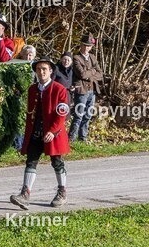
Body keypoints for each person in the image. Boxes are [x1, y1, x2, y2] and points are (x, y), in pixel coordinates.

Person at [9, 57, 71, 209]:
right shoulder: (32, 89)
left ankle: (62, 192)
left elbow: (62, 114)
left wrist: (53, 131)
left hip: (53, 133)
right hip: (36, 132)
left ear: (50, 71)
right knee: (31, 161)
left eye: (44, 69)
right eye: (38, 69)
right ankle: (25, 194)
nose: (41, 72)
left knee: (56, 162)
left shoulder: (59, 89)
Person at [70, 33, 103, 142]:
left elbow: (100, 74)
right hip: (81, 90)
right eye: (84, 45)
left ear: (91, 47)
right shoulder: (76, 58)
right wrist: (93, 71)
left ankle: (82, 137)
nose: (86, 48)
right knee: (78, 115)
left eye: (88, 46)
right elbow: (82, 75)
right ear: (81, 45)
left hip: (92, 90)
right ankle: (72, 138)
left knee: (88, 115)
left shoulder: (93, 57)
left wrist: (91, 74)